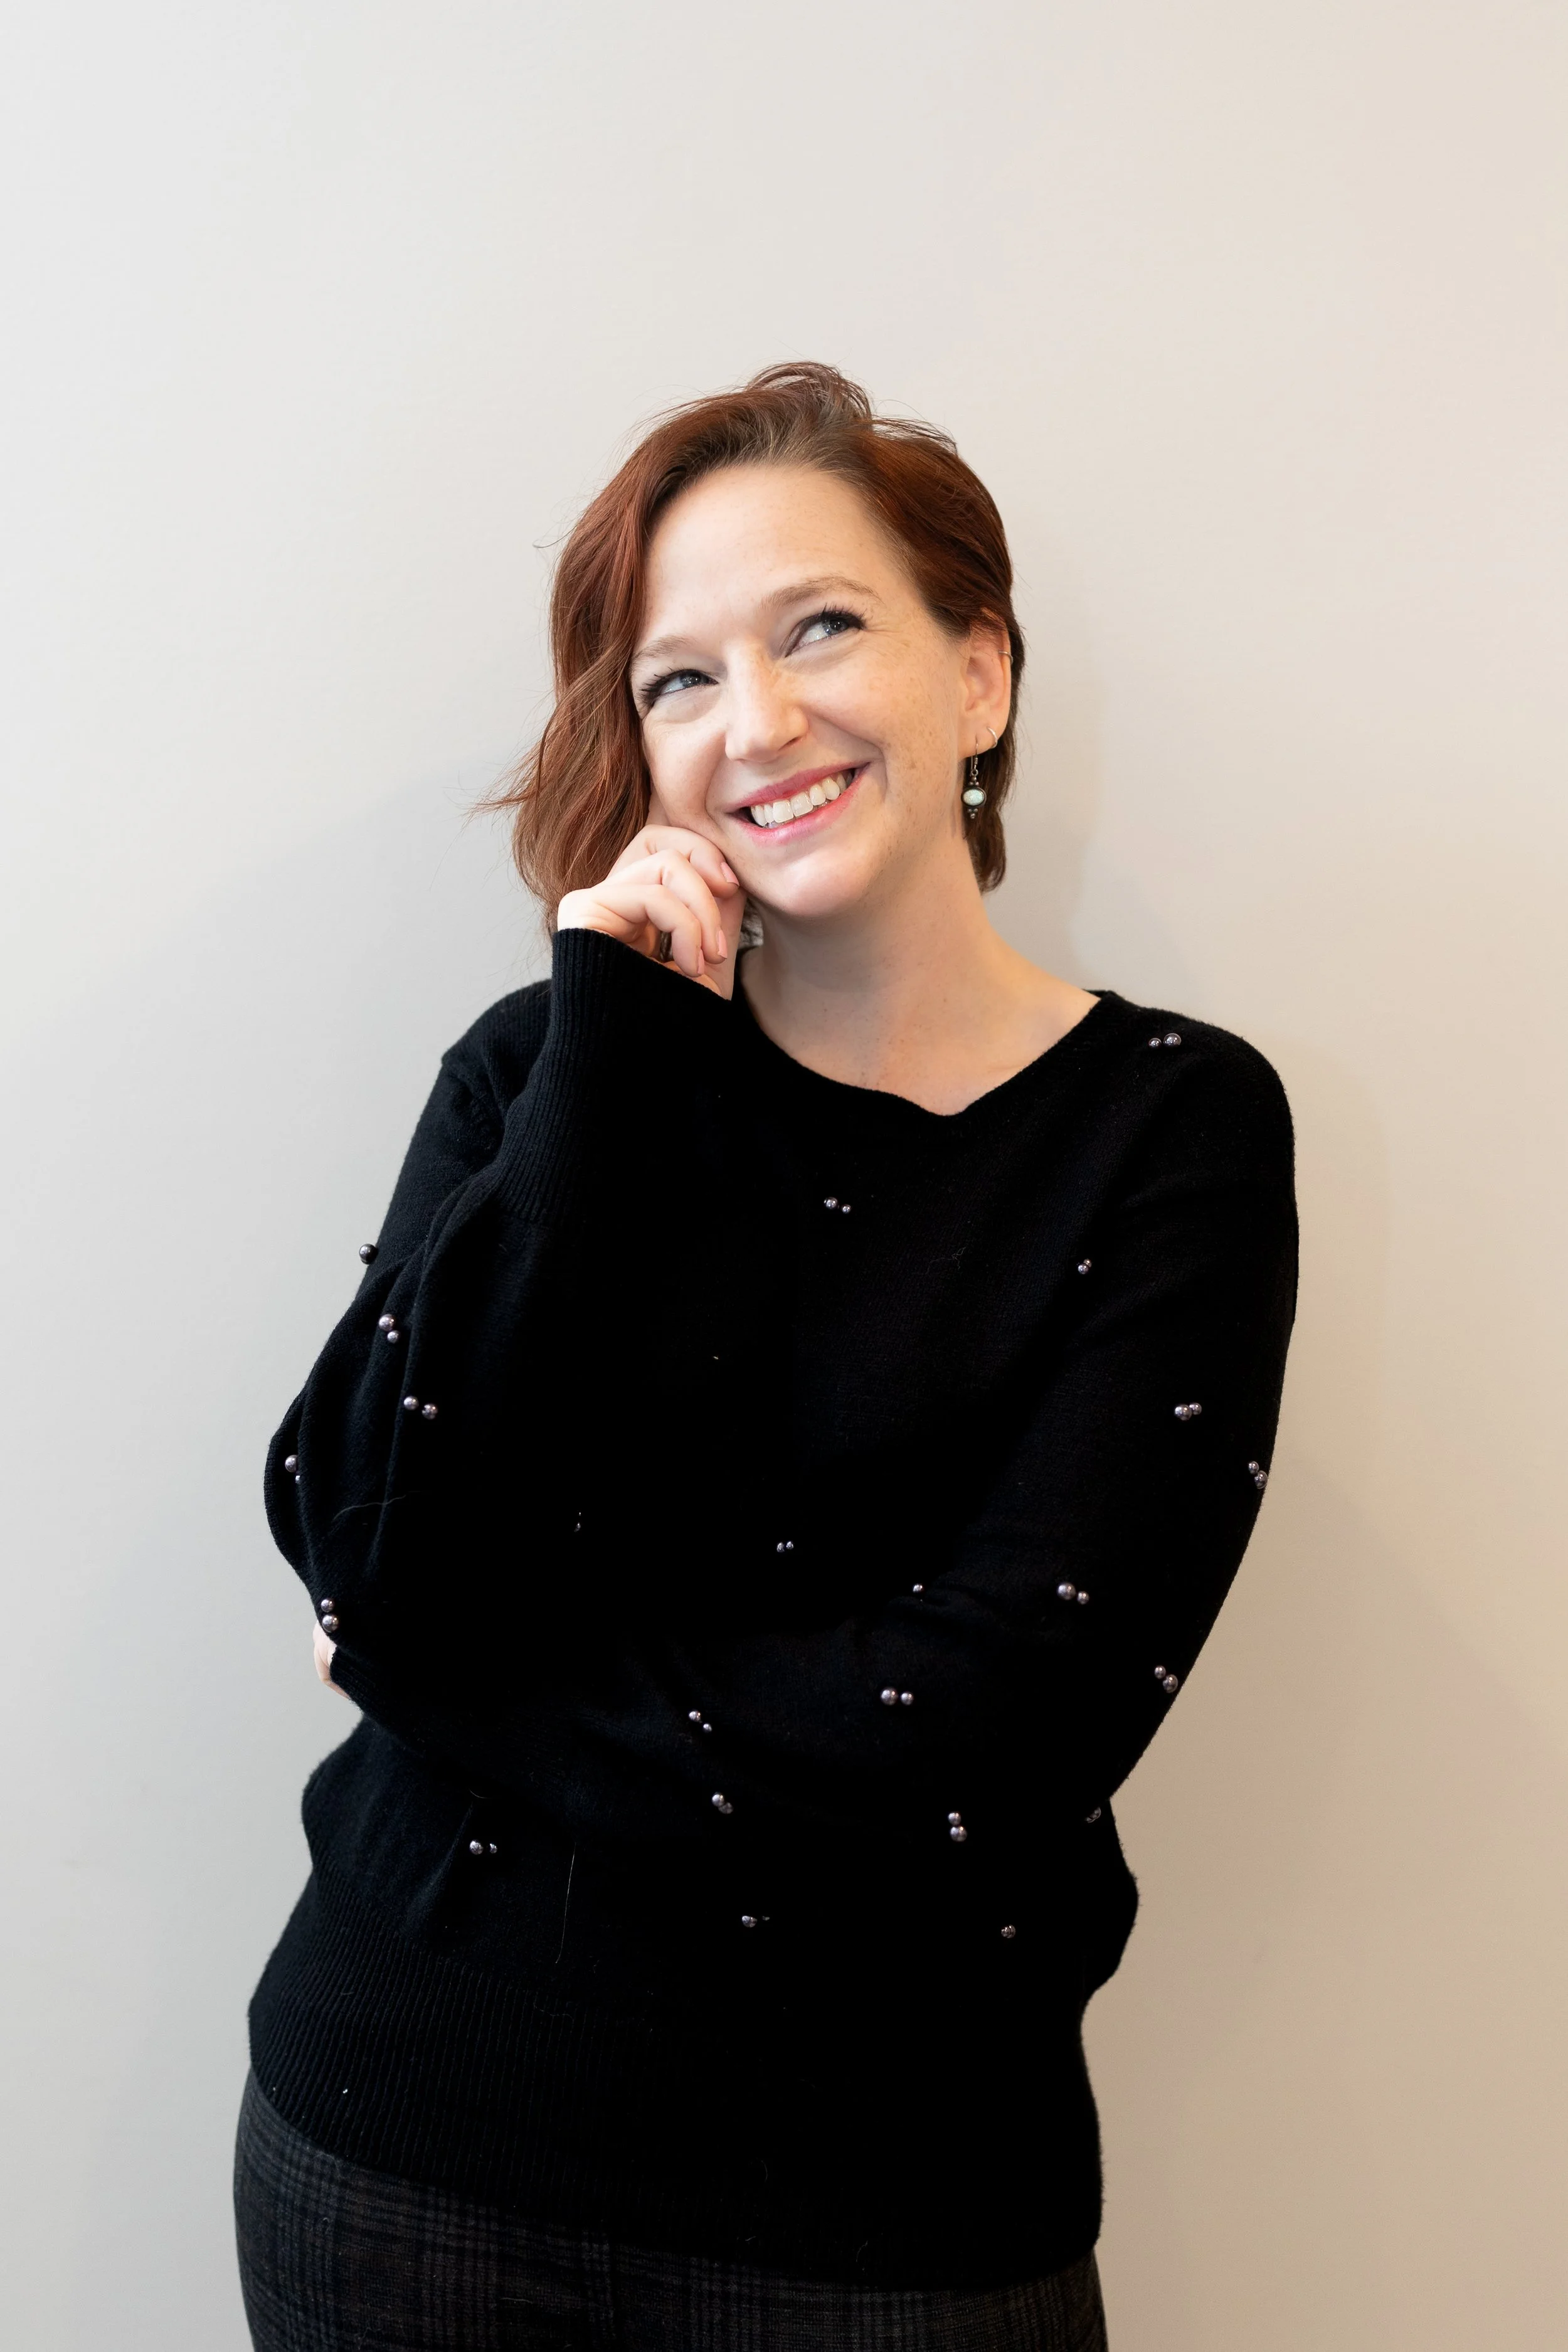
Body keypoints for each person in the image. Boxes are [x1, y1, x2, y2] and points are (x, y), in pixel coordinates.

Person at [235, 362, 1297, 2352]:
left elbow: (990, 1736)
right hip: (403, 2155)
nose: (760, 721)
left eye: (822, 628)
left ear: (975, 674)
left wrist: (433, 1678)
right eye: (678, 679)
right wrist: (610, 1055)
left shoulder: (1170, 1133)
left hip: (890, 2218)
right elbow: (362, 1517)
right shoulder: (550, 1067)